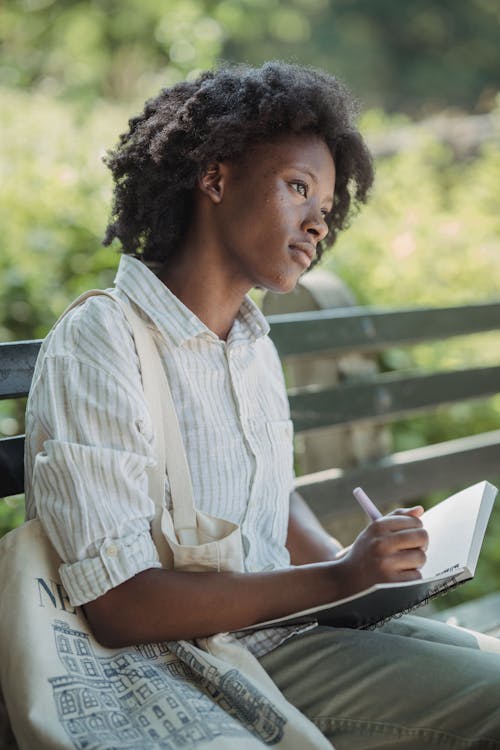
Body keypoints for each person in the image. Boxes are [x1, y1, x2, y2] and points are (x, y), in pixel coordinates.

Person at [25, 62, 500, 749]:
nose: (317, 225)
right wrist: (336, 576)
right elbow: (120, 606)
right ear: (214, 179)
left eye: (328, 208)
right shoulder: (104, 340)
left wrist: (366, 574)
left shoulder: (249, 341)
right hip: (192, 668)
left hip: (283, 637)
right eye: (298, 188)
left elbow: (271, 502)